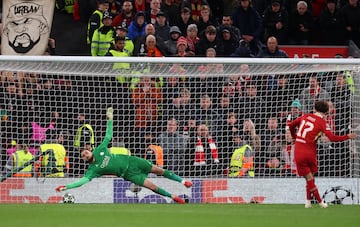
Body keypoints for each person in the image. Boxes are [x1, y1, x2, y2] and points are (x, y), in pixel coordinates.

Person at [56, 107, 192, 204]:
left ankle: (183, 181)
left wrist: (110, 119)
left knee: (159, 170)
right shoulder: (93, 170)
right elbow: (82, 182)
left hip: (133, 161)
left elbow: (108, 135)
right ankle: (174, 197)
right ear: (86, 160)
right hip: (129, 174)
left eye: (85, 152)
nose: (85, 154)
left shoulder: (99, 149)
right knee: (152, 187)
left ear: (90, 150)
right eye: (84, 156)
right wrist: (66, 187)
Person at [287, 100, 357, 208]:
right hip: (310, 152)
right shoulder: (322, 123)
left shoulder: (305, 116)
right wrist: (347, 136)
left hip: (299, 150)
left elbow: (291, 125)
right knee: (310, 177)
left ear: (315, 109)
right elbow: (333, 138)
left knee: (309, 178)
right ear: (326, 112)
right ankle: (320, 202)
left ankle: (308, 201)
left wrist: (294, 137)